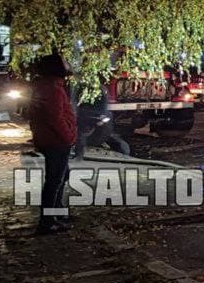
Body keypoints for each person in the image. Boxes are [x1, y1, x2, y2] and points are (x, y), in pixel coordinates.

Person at [27, 54, 77, 233]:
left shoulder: (46, 86)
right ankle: (47, 221)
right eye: (64, 61)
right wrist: (68, 136)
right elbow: (55, 119)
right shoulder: (53, 89)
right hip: (56, 141)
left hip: (50, 139)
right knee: (54, 181)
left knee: (62, 176)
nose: (67, 63)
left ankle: (56, 213)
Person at [74, 79, 130, 160]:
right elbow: (104, 104)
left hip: (90, 116)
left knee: (81, 135)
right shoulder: (101, 89)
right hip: (96, 116)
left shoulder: (85, 89)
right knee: (82, 135)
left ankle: (79, 155)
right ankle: (124, 153)